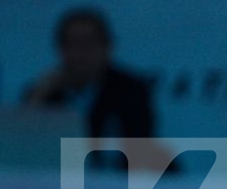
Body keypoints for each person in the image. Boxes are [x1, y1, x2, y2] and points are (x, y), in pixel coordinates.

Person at [23, 7, 155, 138]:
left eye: (89, 42)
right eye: (73, 43)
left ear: (107, 47)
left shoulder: (131, 90)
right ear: (60, 48)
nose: (81, 52)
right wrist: (37, 99)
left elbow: (139, 142)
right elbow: (25, 141)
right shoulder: (45, 90)